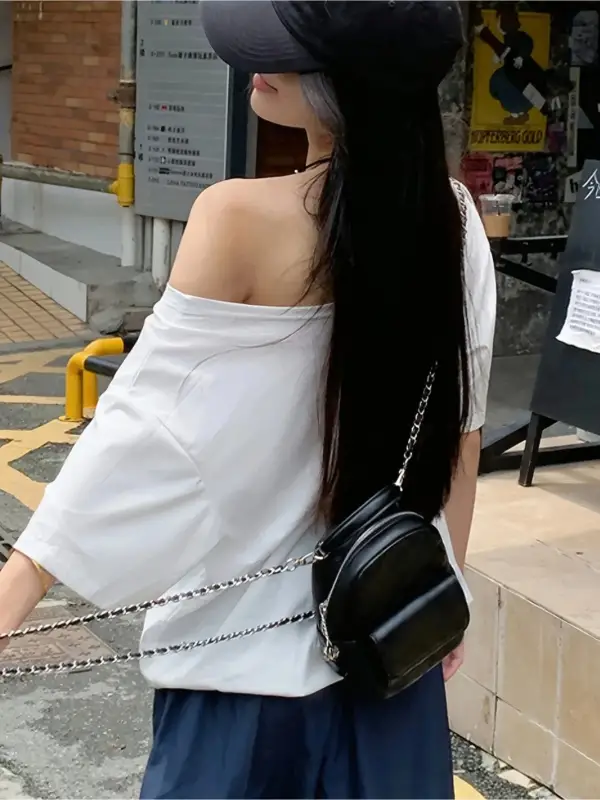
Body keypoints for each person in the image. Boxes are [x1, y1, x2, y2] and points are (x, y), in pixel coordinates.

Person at [0, 2, 496, 798]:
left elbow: (143, 428)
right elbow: (460, 434)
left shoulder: (235, 217)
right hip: (388, 653)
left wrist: (16, 588)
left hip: (241, 680)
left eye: (289, 52)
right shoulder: (454, 220)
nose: (257, 65)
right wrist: (443, 593)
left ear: (354, 84)